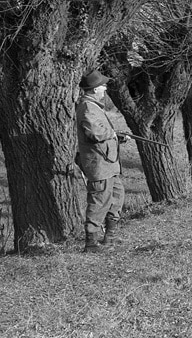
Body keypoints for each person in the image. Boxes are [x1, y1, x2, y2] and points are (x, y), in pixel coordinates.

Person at [75, 70, 129, 253]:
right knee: (99, 201)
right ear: (95, 89)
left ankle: (110, 238)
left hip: (109, 164)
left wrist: (117, 137)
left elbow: (100, 133)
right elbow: (94, 133)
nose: (105, 88)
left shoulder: (94, 106)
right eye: (103, 85)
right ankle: (91, 243)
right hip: (98, 165)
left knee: (117, 197)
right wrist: (112, 134)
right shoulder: (87, 107)